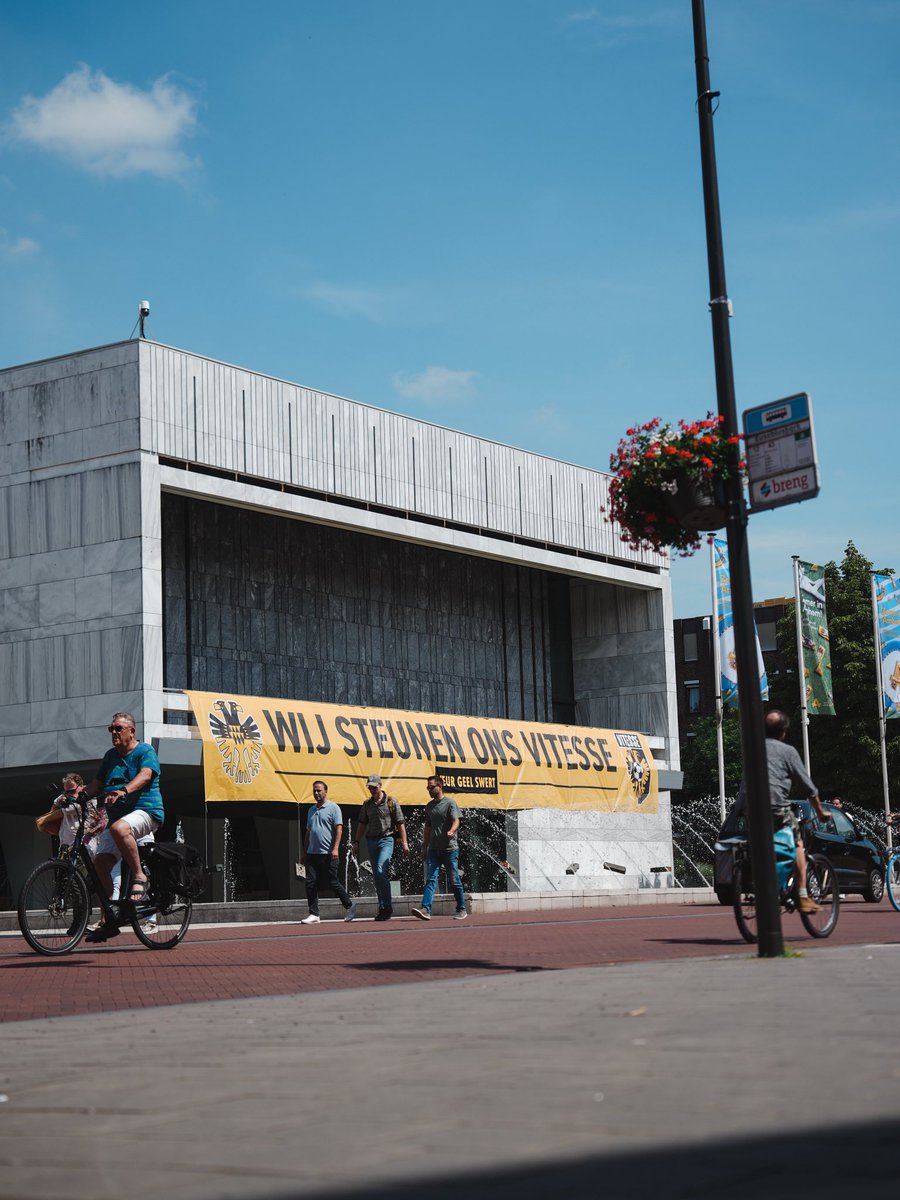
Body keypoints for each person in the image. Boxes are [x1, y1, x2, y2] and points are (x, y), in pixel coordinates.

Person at [79, 712, 165, 943]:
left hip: (147, 812)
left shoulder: (144, 751)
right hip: (120, 819)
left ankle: (139, 875)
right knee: (99, 866)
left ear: (131, 731)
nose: (114, 733)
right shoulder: (110, 756)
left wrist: (124, 790)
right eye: (111, 729)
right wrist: (76, 795)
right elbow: (97, 784)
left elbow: (146, 775)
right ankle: (110, 919)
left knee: (119, 828)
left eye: (118, 728)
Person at [735, 709, 829, 913]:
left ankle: (762, 883)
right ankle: (803, 896)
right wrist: (820, 811)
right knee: (798, 843)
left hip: (750, 808)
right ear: (784, 731)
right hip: (776, 807)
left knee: (760, 845)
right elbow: (808, 787)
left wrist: (740, 809)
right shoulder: (787, 751)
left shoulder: (753, 749)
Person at [350, 773, 410, 921]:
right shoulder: (367, 804)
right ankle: (382, 907)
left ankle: (387, 907)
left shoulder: (391, 802)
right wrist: (356, 842)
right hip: (371, 841)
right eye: (369, 788)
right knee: (377, 876)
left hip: (387, 839)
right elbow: (362, 824)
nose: (372, 790)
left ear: (380, 786)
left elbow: (400, 823)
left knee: (380, 870)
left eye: (374, 787)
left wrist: (404, 843)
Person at [411, 775, 467, 921]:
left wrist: (452, 831)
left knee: (454, 880)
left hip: (450, 849)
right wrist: (424, 847)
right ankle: (425, 909)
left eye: (431, 787)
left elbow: (456, 821)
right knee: (430, 879)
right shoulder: (429, 806)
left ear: (440, 786)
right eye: (427, 787)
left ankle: (461, 908)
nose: (429, 789)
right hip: (433, 850)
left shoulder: (450, 803)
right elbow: (427, 828)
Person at [300, 780, 356, 925]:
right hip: (312, 853)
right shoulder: (311, 810)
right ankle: (314, 914)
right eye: (314, 791)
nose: (316, 793)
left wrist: (335, 848)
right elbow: (308, 832)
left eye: (319, 790)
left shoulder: (333, 808)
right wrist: (304, 852)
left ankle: (349, 905)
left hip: (329, 853)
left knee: (333, 882)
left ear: (326, 791)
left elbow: (339, 829)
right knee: (310, 883)